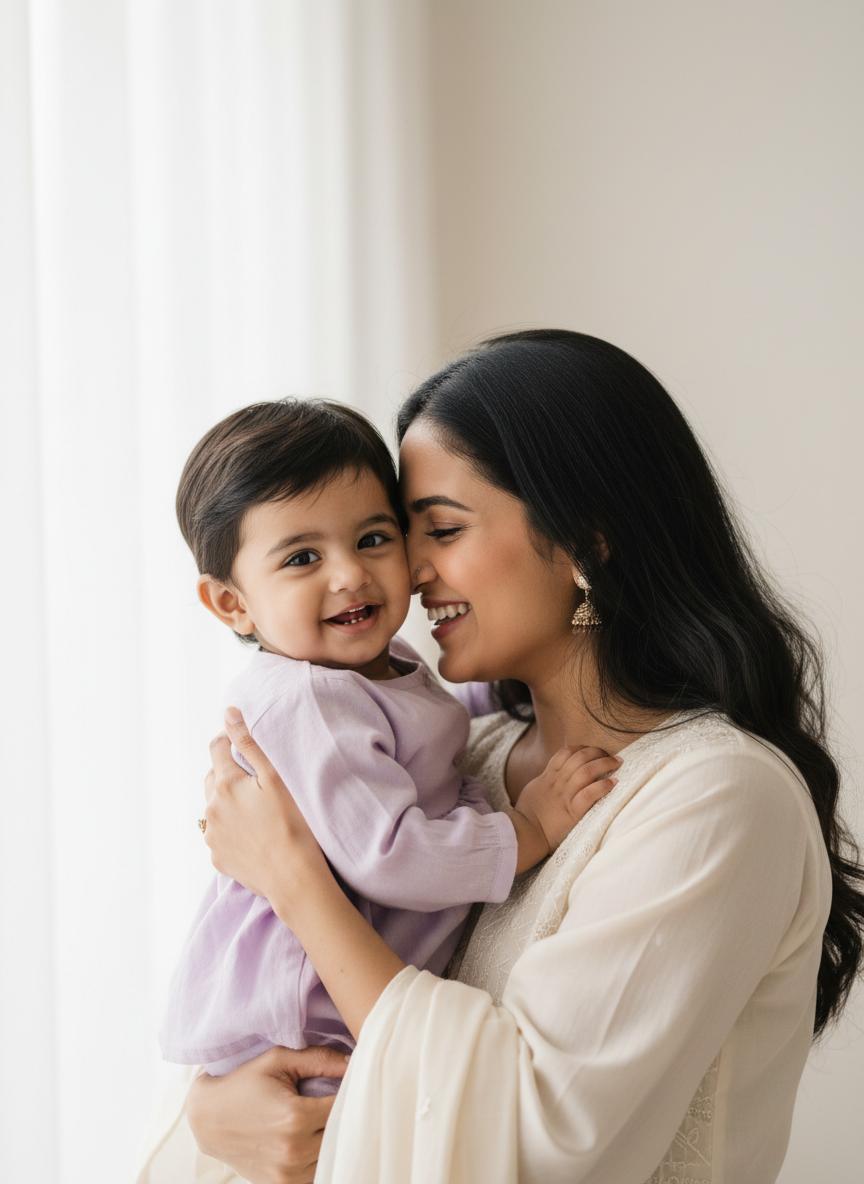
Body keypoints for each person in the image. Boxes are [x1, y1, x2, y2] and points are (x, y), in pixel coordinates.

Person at [140, 330, 864, 1184]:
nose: (406, 572)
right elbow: (295, 1016)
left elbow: (531, 1140)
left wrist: (295, 881)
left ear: (587, 538)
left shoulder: (716, 798)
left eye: (433, 529)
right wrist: (217, 1112)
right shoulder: (463, 754)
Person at [158, 398, 617, 1094]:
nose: (349, 574)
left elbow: (424, 719)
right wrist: (526, 828)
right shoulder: (306, 697)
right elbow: (390, 854)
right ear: (232, 604)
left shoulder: (369, 667)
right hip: (309, 1016)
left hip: (358, 1004)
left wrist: (502, 689)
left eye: (374, 538)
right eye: (303, 557)